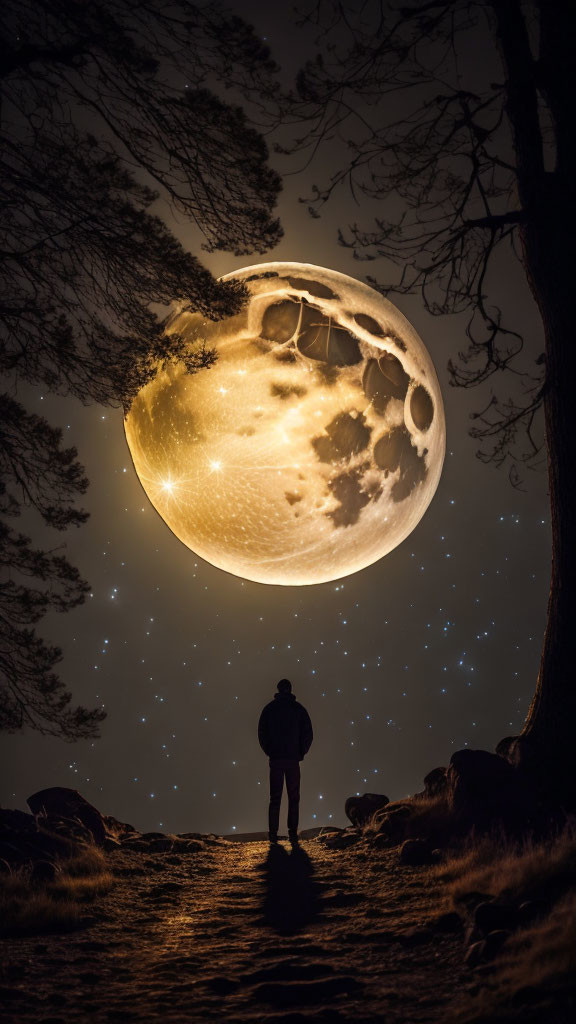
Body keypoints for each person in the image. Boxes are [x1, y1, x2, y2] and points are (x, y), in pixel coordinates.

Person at [258, 678, 313, 844]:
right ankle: (292, 833)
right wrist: (300, 753)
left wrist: (270, 751)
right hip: (292, 761)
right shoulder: (298, 710)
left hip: (276, 760)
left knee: (275, 798)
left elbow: (262, 733)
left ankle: (273, 834)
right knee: (293, 797)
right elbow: (308, 734)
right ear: (290, 689)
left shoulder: (269, 709)